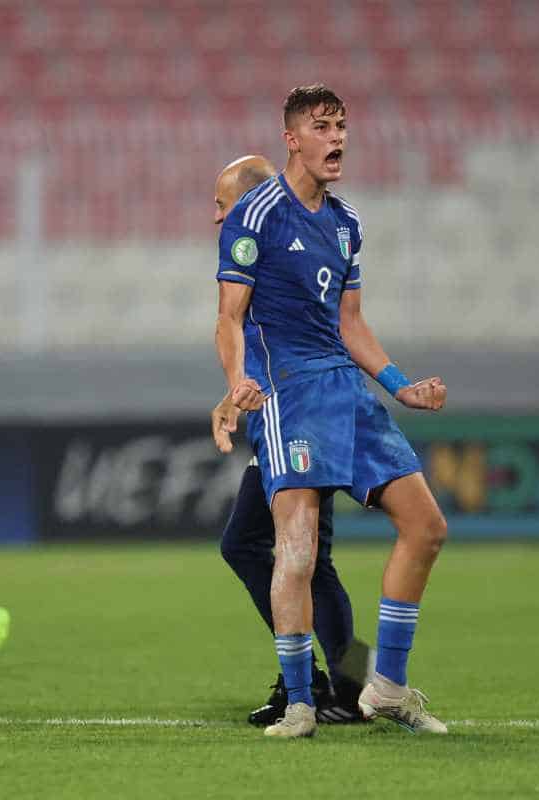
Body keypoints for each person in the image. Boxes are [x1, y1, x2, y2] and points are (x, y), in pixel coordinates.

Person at [215, 84, 449, 738]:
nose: (337, 137)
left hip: (347, 392)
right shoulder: (257, 213)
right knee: (296, 548)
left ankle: (383, 685)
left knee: (427, 526)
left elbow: (351, 324)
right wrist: (238, 380)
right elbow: (227, 320)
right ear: (293, 138)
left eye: (341, 125)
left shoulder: (347, 223)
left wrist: (400, 385)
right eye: (323, 126)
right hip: (290, 393)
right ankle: (301, 702)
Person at [210, 156, 366, 726]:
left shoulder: (268, 243)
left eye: (222, 204)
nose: (217, 217)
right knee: (264, 549)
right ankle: (342, 682)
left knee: (299, 557)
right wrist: (234, 394)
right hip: (289, 416)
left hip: (304, 418)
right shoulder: (263, 248)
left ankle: (341, 686)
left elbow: (301, 337)